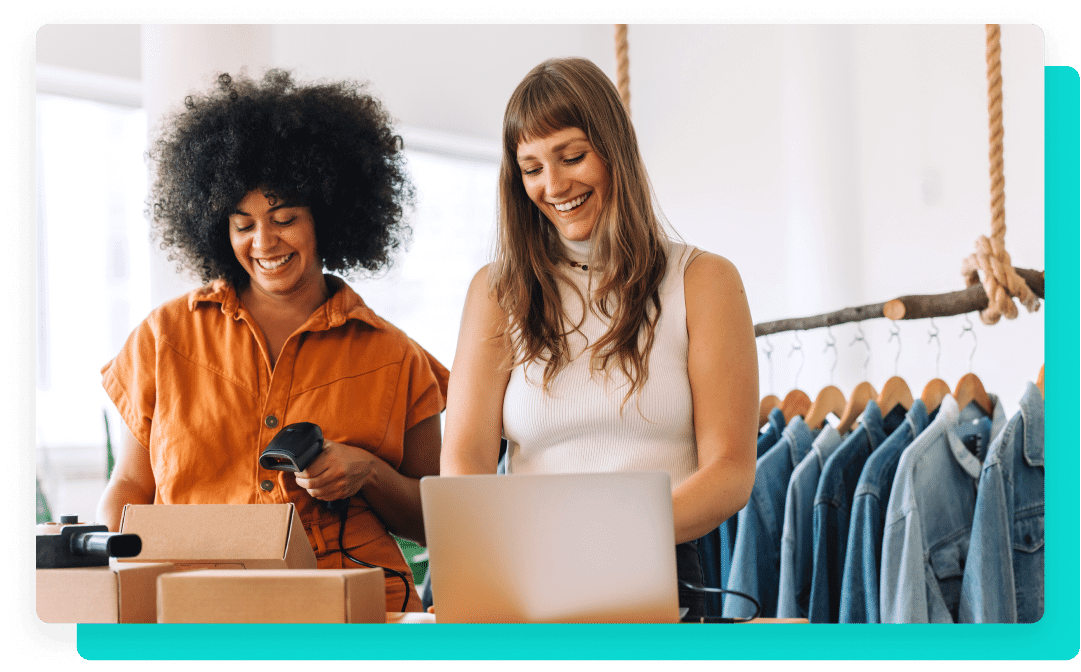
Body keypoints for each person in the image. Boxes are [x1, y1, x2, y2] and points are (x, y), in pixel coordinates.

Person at [96, 70, 448, 613]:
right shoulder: (164, 338)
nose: (264, 242)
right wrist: (125, 592)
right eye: (243, 224)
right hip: (195, 609)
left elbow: (439, 525)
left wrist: (368, 472)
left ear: (326, 219)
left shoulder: (396, 357)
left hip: (351, 611)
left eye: (284, 218)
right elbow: (128, 491)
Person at [440, 57, 759, 621]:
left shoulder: (705, 282)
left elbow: (730, 472)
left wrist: (606, 543)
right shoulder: (496, 292)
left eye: (572, 156)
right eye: (531, 167)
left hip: (663, 577)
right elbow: (463, 467)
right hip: (525, 577)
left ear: (615, 150)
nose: (553, 185)